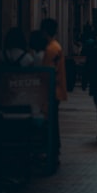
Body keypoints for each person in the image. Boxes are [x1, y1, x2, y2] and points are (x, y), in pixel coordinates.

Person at [41, 18, 67, 168]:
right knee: (53, 123)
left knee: (51, 124)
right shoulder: (55, 46)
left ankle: (52, 151)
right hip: (56, 90)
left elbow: (46, 71)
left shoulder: (51, 49)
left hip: (52, 90)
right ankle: (54, 151)